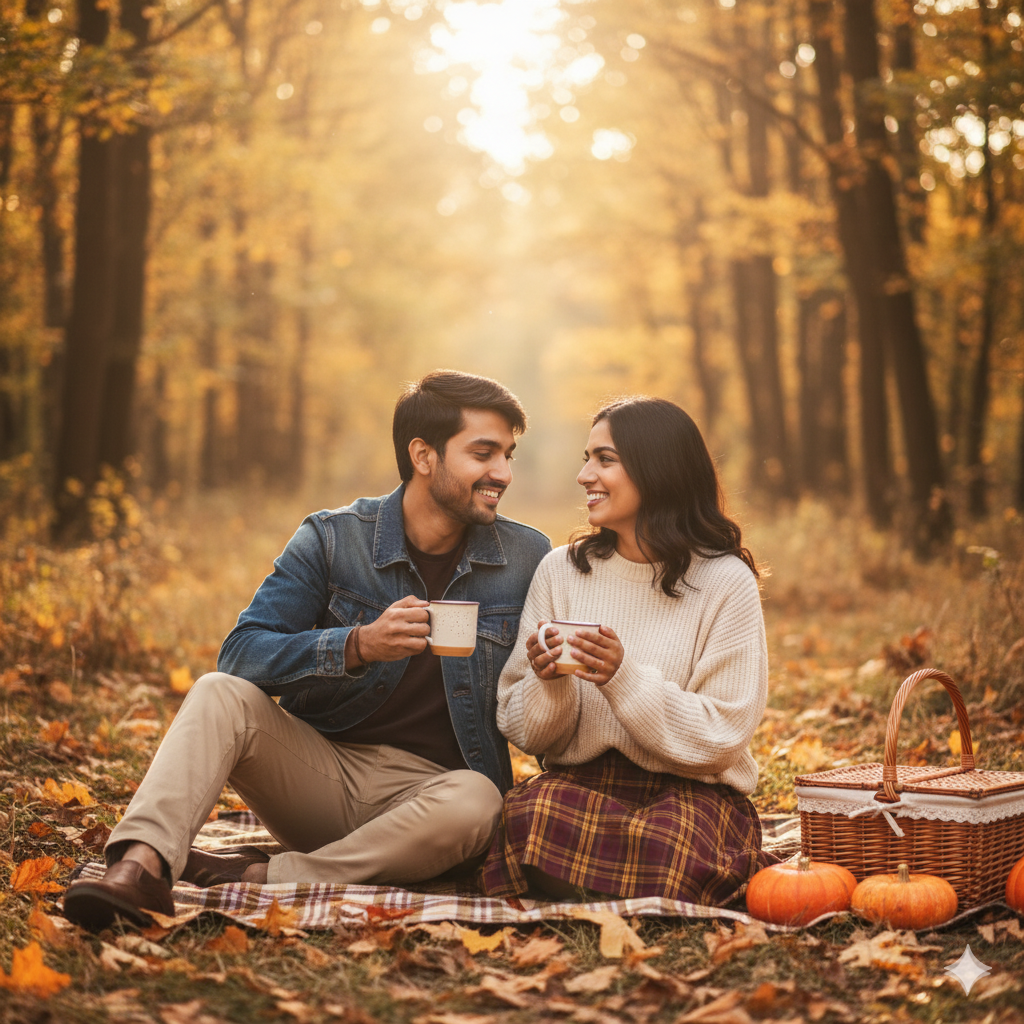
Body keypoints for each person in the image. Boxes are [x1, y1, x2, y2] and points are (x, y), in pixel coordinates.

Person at [64, 370, 551, 930]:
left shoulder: (527, 556)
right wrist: (356, 645)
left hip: (435, 801)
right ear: (423, 455)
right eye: (484, 453)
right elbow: (242, 654)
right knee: (218, 692)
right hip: (322, 774)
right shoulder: (332, 538)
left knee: (480, 799)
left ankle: (263, 877)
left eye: (508, 455)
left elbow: (537, 703)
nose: (503, 474)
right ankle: (141, 867)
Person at [478, 396, 771, 905]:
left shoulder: (725, 581)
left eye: (605, 459)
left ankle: (599, 885)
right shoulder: (560, 570)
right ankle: (619, 888)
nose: (584, 475)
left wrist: (622, 677)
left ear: (658, 470)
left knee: (670, 842)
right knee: (530, 816)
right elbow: (524, 728)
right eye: (586, 458)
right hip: (583, 783)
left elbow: (721, 736)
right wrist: (550, 683)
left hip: (689, 791)